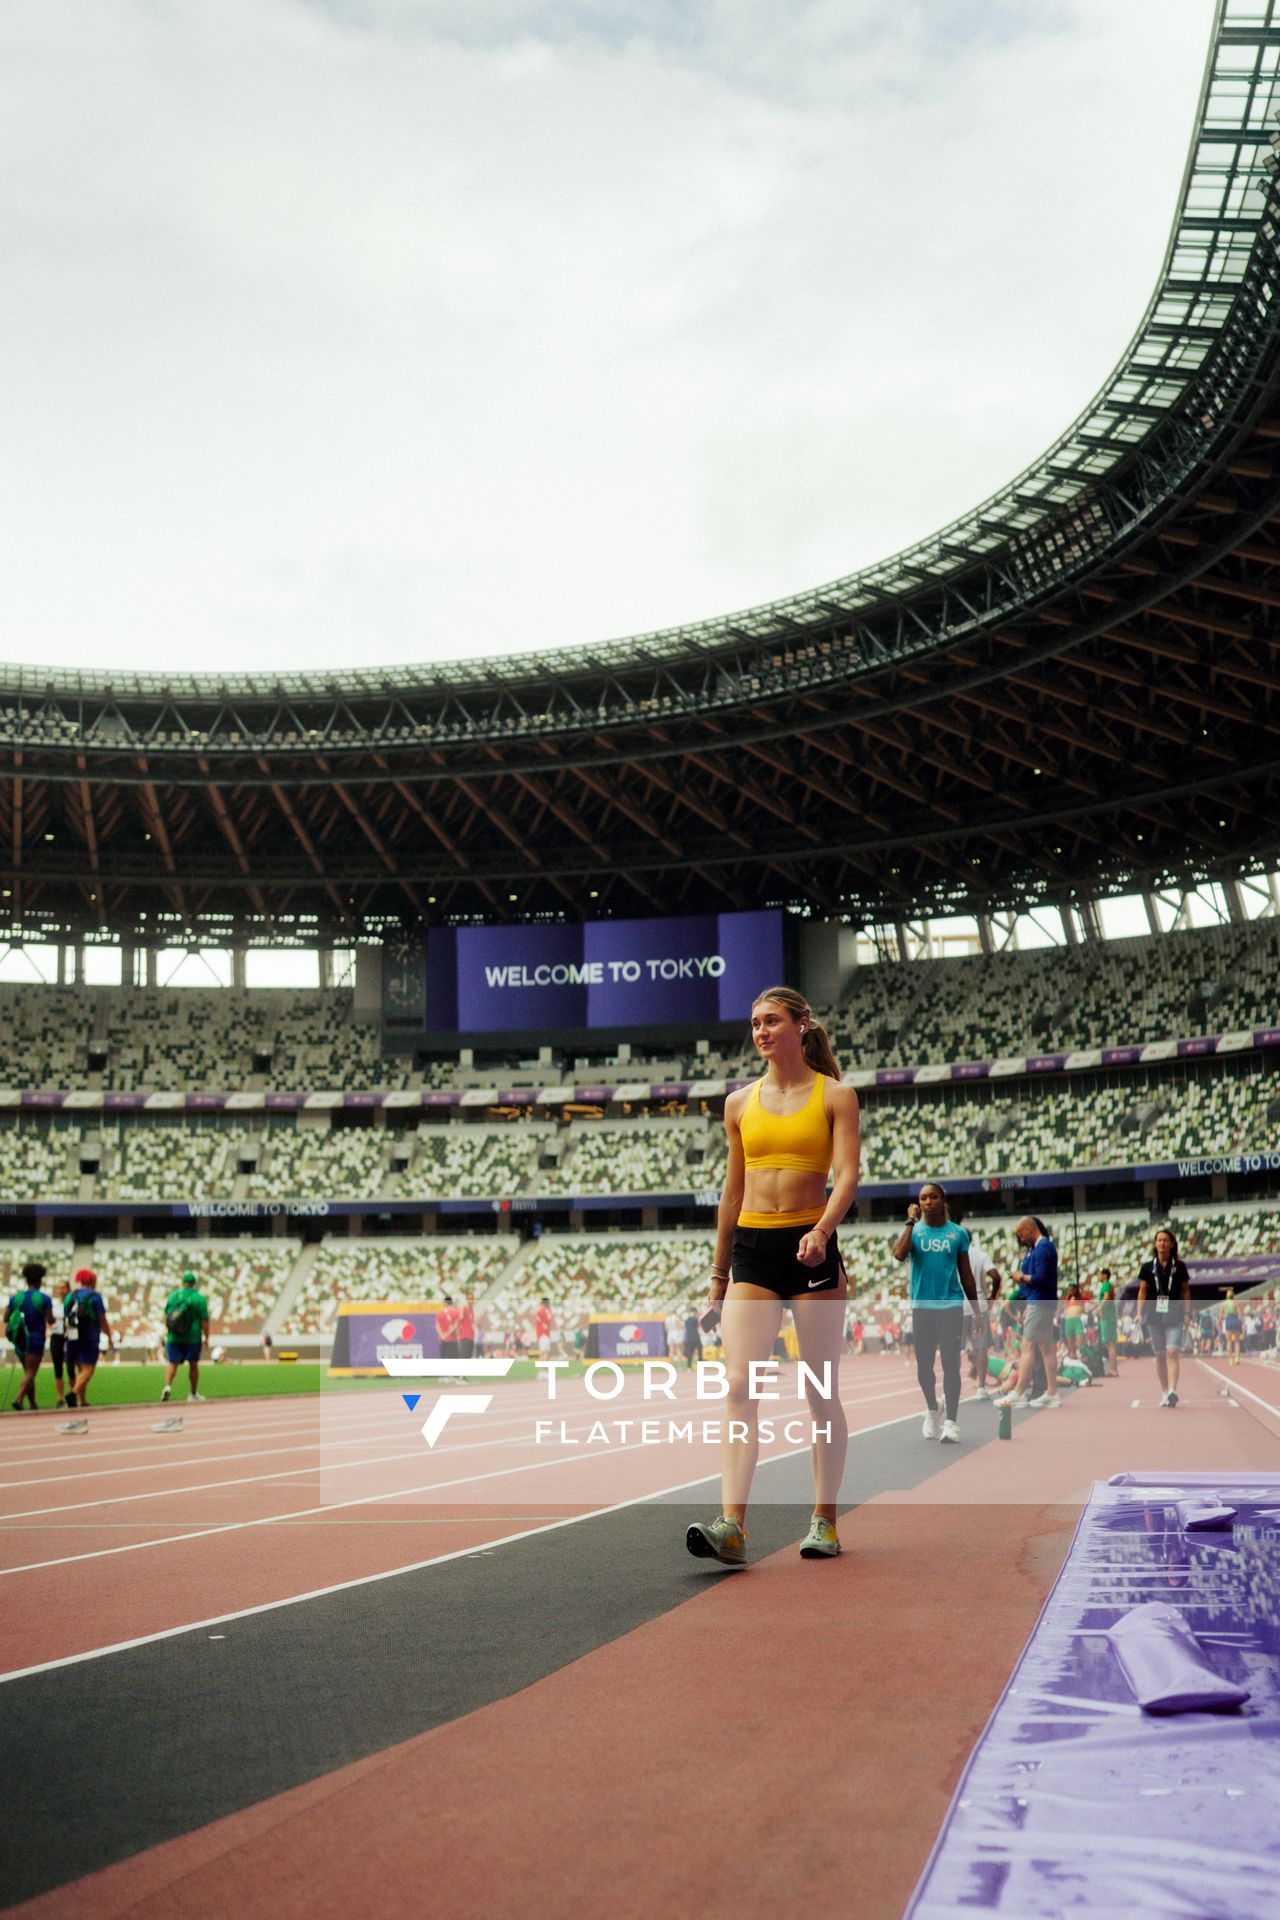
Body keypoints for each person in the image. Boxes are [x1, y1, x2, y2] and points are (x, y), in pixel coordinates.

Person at [687, 986, 860, 1566]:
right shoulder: (739, 1103)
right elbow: (732, 1192)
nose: (761, 1032)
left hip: (812, 1246)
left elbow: (848, 1175)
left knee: (819, 1391)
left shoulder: (836, 1096)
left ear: (801, 1025)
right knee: (739, 1386)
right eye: (755, 1023)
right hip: (754, 1252)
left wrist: (822, 1232)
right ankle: (731, 1527)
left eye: (772, 1021)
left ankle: (825, 1521)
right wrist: (718, 1277)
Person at [891, 1184, 982, 1442]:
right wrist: (910, 1221)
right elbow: (898, 1254)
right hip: (923, 1307)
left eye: (933, 1197)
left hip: (951, 1306)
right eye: (923, 1198)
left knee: (951, 1365)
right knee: (924, 1368)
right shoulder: (915, 1231)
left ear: (943, 1200)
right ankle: (933, 1408)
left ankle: (951, 1422)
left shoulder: (958, 1234)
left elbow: (966, 1275)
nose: (928, 1202)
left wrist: (976, 1311)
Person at [994, 1218, 1061, 1410]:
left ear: (1030, 1229)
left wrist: (1020, 1277)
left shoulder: (1043, 1248)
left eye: (1021, 1234)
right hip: (1039, 1301)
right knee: (1045, 1347)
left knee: (1027, 1346)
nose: (1021, 1239)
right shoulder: (1037, 1248)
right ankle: (1052, 1392)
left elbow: (1040, 1277)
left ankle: (1019, 1392)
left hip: (1040, 1301)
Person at [1135, 1228, 1192, 1407]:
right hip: (1154, 1314)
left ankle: (1173, 1390)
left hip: (1175, 1312)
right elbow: (1142, 1291)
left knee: (1172, 1352)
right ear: (1155, 1244)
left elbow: (1185, 1290)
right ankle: (1165, 1391)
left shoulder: (1180, 1266)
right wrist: (1138, 1313)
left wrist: (1187, 1313)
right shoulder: (1147, 1267)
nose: (1162, 1243)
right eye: (1159, 1240)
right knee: (1160, 1355)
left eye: (1166, 1240)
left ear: (1172, 1244)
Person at [5, 1260, 54, 1411]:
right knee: (31, 1372)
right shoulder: (44, 1299)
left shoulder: (16, 1298)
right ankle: (18, 1398)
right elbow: (50, 1319)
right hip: (35, 1338)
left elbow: (6, 1318)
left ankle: (33, 1404)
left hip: (20, 1339)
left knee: (28, 1372)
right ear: (40, 1280)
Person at [64, 1267, 114, 1411]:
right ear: (93, 1281)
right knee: (88, 1370)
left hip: (72, 1336)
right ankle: (73, 1393)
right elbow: (102, 1319)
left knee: (79, 1369)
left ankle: (82, 1400)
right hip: (90, 1336)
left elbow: (66, 1318)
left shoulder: (70, 1296)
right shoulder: (95, 1297)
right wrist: (109, 1337)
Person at [160, 1270, 210, 1403]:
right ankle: (193, 1394)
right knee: (193, 1365)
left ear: (183, 1282)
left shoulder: (173, 1296)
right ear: (194, 1284)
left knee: (172, 1364)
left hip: (174, 1336)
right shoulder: (199, 1298)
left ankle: (167, 1386)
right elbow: (204, 1321)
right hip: (193, 1337)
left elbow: (167, 1316)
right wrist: (207, 1337)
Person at [965, 1228, 1000, 1399]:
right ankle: (981, 1387)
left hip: (957, 1306)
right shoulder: (980, 1255)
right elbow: (996, 1276)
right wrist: (992, 1297)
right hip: (979, 1305)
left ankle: (951, 1388)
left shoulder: (952, 1256)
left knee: (952, 1349)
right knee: (981, 1349)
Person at [50, 1277, 74, 1407]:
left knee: (70, 1368)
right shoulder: (53, 1304)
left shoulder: (73, 1303)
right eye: (59, 1288)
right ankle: (60, 1399)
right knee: (57, 1369)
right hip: (56, 1337)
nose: (61, 1290)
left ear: (69, 1289)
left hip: (70, 1337)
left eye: (63, 1288)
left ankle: (72, 1395)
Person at [1097, 1269, 1119, 1376]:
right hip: (1108, 1315)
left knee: (1110, 1343)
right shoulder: (1106, 1285)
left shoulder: (1106, 1284)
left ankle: (1113, 1369)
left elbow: (1106, 1297)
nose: (1098, 1276)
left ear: (1105, 1275)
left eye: (1100, 1274)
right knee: (1110, 1343)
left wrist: (1100, 1308)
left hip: (1107, 1316)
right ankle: (1113, 1368)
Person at [1061, 1282, 1085, 1361]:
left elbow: (1091, 1303)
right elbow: (1063, 1308)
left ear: (1075, 1289)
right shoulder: (1067, 1298)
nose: (1070, 1291)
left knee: (1079, 1342)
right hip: (1068, 1321)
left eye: (1072, 1289)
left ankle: (1080, 1357)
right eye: (1069, 1290)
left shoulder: (1080, 1298)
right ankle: (1072, 1357)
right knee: (1071, 1345)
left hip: (1077, 1320)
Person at [1222, 1287, 1243, 1366]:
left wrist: (1221, 1321)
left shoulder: (1223, 1304)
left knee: (1229, 1341)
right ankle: (1237, 1357)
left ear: (1227, 1296)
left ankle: (1230, 1359)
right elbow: (1240, 1314)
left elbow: (1221, 1315)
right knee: (1237, 1341)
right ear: (1233, 1296)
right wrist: (1241, 1321)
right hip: (1235, 1320)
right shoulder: (1236, 1303)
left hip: (1228, 1320)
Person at [437, 1294, 461, 1361]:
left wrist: (442, 1336)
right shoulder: (456, 1312)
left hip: (442, 1340)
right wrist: (448, 1334)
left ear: (445, 1303)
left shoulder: (440, 1313)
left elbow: (437, 1325)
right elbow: (457, 1326)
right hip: (453, 1340)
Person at [682, 1302, 702, 1370]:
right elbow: (697, 1326)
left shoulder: (686, 1320)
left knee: (690, 1353)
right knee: (700, 1351)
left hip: (689, 1338)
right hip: (696, 1337)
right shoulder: (695, 1319)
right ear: (695, 1312)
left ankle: (689, 1367)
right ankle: (700, 1366)